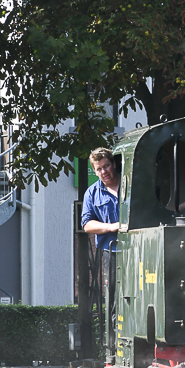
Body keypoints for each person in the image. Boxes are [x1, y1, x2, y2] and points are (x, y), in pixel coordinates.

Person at [81, 148, 120, 353]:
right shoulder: (92, 193)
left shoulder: (129, 184)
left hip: (139, 248)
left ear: (113, 164)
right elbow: (87, 225)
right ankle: (114, 346)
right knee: (113, 298)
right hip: (111, 252)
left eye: (106, 166)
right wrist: (112, 226)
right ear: (94, 171)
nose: (104, 171)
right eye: (99, 169)